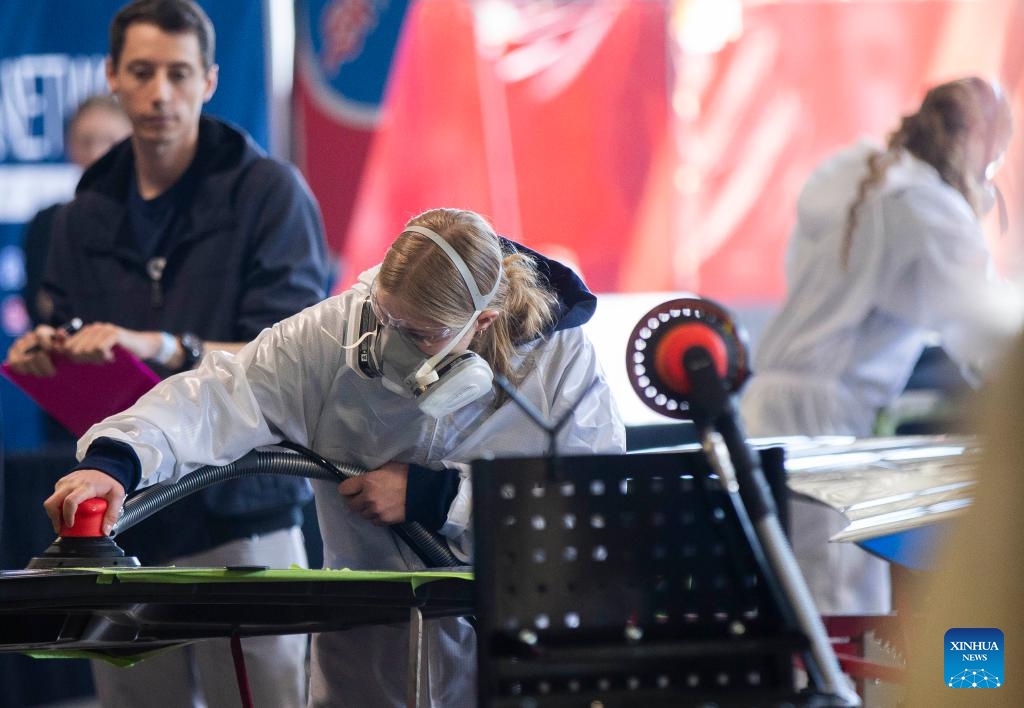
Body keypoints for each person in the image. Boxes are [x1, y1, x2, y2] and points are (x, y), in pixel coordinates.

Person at [43, 207, 627, 707]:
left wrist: (440, 495)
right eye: (385, 319)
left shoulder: (558, 363)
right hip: (371, 659)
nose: (391, 344)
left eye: (420, 334)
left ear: (484, 323)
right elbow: (218, 395)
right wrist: (116, 460)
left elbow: (591, 503)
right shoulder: (334, 334)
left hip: (512, 652)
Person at [4, 1, 330, 706]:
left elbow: (294, 360)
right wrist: (50, 355)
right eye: (143, 72)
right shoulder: (84, 210)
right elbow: (69, 332)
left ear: (209, 80)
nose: (160, 94)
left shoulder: (269, 194)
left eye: (178, 74)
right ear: (112, 76)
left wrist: (161, 345)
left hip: (242, 513)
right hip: (122, 523)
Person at [739, 76, 1021, 616]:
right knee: (836, 605)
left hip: (767, 411)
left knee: (793, 606)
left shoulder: (856, 175)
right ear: (981, 146)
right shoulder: (927, 210)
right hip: (822, 425)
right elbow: (988, 335)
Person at [22, 94, 132, 327]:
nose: (96, 153)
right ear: (70, 145)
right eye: (86, 141)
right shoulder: (49, 222)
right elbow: (39, 304)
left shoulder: (151, 219)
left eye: (110, 141)